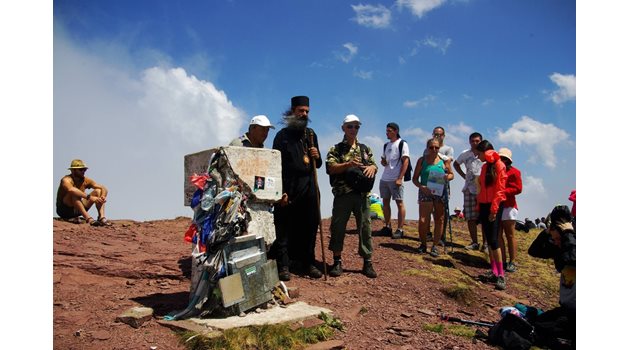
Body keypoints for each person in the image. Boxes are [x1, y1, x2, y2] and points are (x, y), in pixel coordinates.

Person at [270, 96, 323, 281]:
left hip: (309, 187)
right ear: (293, 111)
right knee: (284, 227)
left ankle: (308, 263)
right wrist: (280, 192)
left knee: (309, 226)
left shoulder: (310, 134)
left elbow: (318, 165)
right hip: (289, 188)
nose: (304, 114)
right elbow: (274, 166)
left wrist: (316, 155)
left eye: (307, 111)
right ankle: (283, 265)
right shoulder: (282, 136)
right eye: (301, 111)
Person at [326, 114, 378, 278]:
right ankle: (337, 261)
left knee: (365, 227)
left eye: (356, 126)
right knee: (338, 227)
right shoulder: (336, 149)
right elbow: (330, 168)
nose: (353, 129)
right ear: (343, 128)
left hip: (362, 195)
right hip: (343, 194)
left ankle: (367, 262)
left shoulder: (365, 149)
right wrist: (348, 165)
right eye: (350, 126)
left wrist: (373, 168)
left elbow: (374, 164)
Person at [527, 205, 575, 348]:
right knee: (538, 323)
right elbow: (533, 251)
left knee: (546, 330)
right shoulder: (560, 246)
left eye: (557, 239)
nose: (555, 243)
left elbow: (572, 259)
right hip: (566, 310)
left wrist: (568, 233)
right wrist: (546, 232)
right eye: (553, 240)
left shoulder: (573, 247)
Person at [412, 138, 454, 257]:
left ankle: (435, 246)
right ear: (427, 148)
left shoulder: (444, 161)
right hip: (425, 192)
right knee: (423, 220)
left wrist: (447, 177)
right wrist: (421, 187)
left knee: (439, 219)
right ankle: (423, 244)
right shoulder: (422, 161)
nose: (434, 149)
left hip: (439, 192)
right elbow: (415, 178)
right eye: (431, 147)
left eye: (436, 147)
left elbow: (451, 174)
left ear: (439, 147)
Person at [475, 140, 508, 290]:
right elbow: (481, 188)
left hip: (494, 205)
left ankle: (501, 275)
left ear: (485, 152)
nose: (477, 156)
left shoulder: (499, 165)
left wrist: (494, 210)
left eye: (479, 153)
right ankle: (494, 271)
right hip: (484, 205)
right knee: (489, 239)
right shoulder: (484, 167)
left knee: (494, 240)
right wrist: (479, 206)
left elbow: (500, 190)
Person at [378, 122, 410, 239]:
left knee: (399, 202)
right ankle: (387, 226)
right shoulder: (386, 145)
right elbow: (385, 161)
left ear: (395, 131)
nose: (387, 133)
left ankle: (400, 229)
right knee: (385, 202)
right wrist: (383, 162)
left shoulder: (402, 143)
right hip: (385, 178)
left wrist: (400, 178)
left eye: (389, 131)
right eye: (386, 131)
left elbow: (405, 161)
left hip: (395, 178)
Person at [56, 159, 110, 226]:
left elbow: (103, 188)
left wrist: (103, 196)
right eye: (81, 170)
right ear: (73, 170)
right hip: (64, 210)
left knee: (98, 191)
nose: (83, 171)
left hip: (77, 209)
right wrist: (89, 197)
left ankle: (101, 218)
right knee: (74, 192)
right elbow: (71, 190)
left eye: (84, 169)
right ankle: (89, 219)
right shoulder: (66, 180)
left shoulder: (85, 180)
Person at [454, 132, 484, 250]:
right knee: (471, 217)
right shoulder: (465, 154)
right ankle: (474, 242)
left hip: (483, 190)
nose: (475, 143)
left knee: (484, 217)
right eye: (472, 141)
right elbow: (456, 164)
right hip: (469, 189)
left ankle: (486, 244)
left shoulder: (486, 154)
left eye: (477, 141)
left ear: (481, 141)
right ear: (469, 142)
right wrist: (464, 175)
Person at [496, 148, 522, 273]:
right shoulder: (494, 170)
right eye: (500, 158)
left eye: (504, 158)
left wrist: (503, 192)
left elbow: (518, 188)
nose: (502, 160)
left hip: (508, 206)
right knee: (498, 235)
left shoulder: (515, 172)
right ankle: (503, 260)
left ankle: (513, 261)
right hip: (496, 205)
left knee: (510, 234)